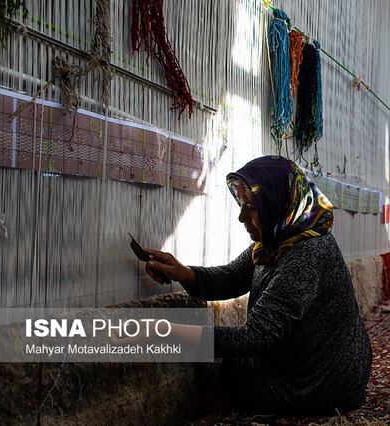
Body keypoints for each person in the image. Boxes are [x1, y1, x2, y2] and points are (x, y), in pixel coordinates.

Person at [141, 155, 372, 415]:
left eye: (251, 208)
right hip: (314, 365)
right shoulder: (279, 240)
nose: (242, 217)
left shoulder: (306, 253)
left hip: (320, 381)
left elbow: (257, 336)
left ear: (278, 204)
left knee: (219, 365)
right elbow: (232, 277)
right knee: (221, 351)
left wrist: (173, 335)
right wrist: (183, 273)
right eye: (241, 205)